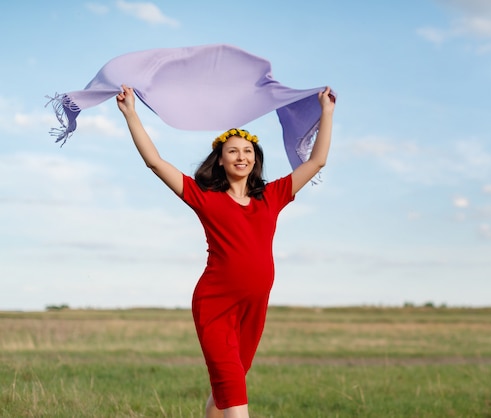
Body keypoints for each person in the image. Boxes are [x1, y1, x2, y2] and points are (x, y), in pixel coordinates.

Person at [116, 84, 335, 418]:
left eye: (247, 151)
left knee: (225, 393)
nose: (241, 156)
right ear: (220, 159)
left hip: (254, 309)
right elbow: (156, 163)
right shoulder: (206, 198)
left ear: (255, 159)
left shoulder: (272, 196)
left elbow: (317, 161)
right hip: (215, 305)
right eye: (233, 151)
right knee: (234, 396)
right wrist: (131, 113)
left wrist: (326, 114)